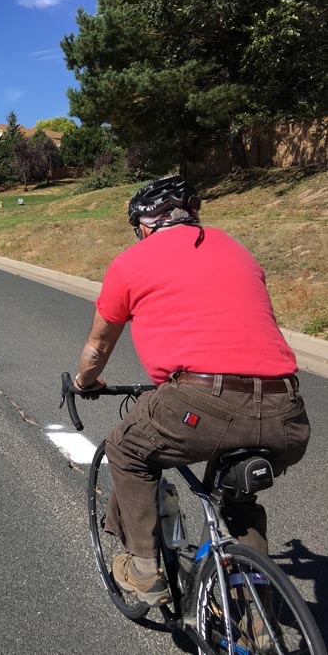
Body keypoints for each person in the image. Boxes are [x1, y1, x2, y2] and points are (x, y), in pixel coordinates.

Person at [74, 175, 310, 606]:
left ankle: (144, 570)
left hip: (202, 398)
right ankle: (255, 614)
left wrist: (85, 383)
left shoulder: (132, 261)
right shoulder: (238, 251)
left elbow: (98, 345)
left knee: (125, 449)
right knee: (235, 494)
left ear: (145, 226)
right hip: (287, 411)